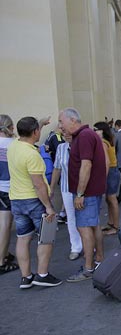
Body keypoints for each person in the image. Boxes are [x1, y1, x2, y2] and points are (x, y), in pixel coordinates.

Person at [8, 116, 62, 288]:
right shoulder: (32, 155)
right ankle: (42, 274)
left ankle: (26, 277)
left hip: (16, 199)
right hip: (34, 201)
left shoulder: (14, 146)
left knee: (23, 238)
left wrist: (39, 123)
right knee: (46, 237)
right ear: (35, 132)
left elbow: (28, 132)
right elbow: (38, 185)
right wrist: (48, 206)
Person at [58, 108, 106, 282]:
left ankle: (88, 268)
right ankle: (98, 260)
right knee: (93, 226)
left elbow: (86, 166)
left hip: (87, 193)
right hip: (91, 191)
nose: (60, 126)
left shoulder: (84, 136)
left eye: (61, 122)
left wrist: (80, 193)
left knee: (85, 228)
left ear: (72, 120)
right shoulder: (86, 135)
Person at [50, 132, 83, 260]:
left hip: (82, 188)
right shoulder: (61, 148)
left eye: (69, 133)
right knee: (71, 217)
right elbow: (57, 168)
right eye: (64, 133)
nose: (66, 135)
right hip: (66, 188)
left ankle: (88, 244)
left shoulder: (82, 146)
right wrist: (52, 188)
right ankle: (75, 247)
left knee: (84, 217)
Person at [93, 122, 121, 236]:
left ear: (102, 131)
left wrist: (102, 177)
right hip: (113, 171)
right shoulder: (108, 141)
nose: (94, 131)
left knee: (112, 199)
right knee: (109, 200)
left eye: (96, 129)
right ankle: (111, 223)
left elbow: (107, 162)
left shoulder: (103, 143)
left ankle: (116, 226)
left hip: (110, 172)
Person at [0, 115, 18, 274]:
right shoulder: (14, 144)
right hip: (8, 188)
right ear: (11, 127)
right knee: (5, 225)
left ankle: (4, 253)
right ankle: (1, 261)